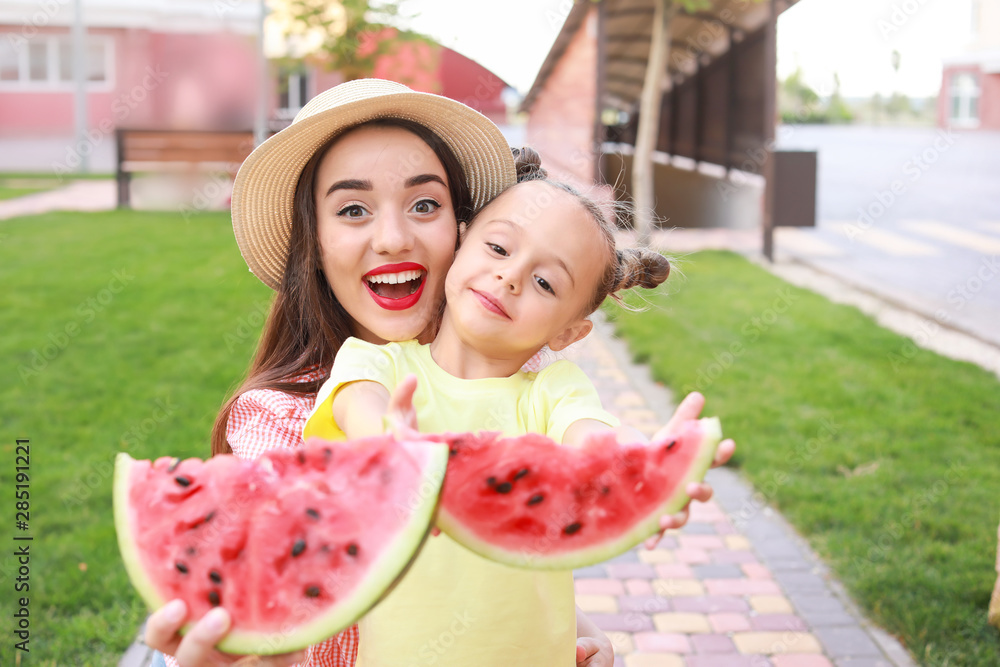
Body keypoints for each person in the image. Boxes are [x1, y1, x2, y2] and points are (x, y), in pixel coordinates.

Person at [144, 79, 732, 667]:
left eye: (424, 204)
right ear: (314, 243)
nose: (394, 238)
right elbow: (274, 603)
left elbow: (517, 516)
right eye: (352, 209)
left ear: (459, 226)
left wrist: (578, 618)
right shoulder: (283, 421)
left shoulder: (536, 389)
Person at [301, 151, 721, 666]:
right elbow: (356, 404)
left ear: (569, 332)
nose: (511, 277)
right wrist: (393, 446)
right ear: (458, 246)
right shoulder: (378, 364)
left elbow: (592, 436)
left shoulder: (552, 392)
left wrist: (643, 465)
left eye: (546, 283)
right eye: (498, 247)